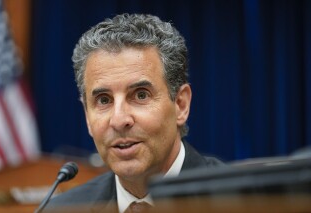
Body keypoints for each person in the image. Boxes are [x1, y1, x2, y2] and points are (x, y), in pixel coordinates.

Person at [44, 13, 223, 213]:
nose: (119, 120)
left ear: (180, 105)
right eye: (104, 100)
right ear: (87, 115)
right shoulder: (61, 210)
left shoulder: (248, 202)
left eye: (140, 95)